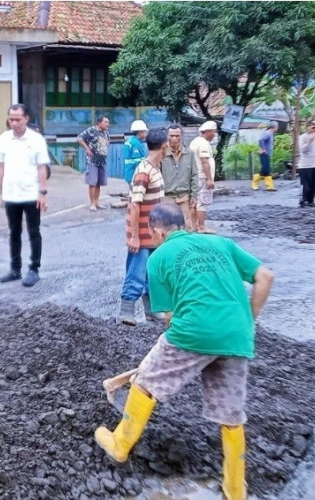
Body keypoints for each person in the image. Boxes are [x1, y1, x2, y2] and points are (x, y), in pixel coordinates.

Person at [95, 202, 274, 500]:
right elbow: (265, 277)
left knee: (146, 382)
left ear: (157, 230)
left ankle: (119, 445)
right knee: (231, 412)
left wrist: (175, 356)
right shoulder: (221, 242)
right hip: (238, 335)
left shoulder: (159, 256)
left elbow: (170, 317)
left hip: (193, 329)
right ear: (184, 224)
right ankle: (234, 487)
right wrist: (247, 322)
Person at [0, 103, 50, 288]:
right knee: (14, 232)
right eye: (11, 119)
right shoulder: (4, 138)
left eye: (18, 119)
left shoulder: (36, 139)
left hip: (32, 194)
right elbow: (0, 166)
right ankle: (15, 269)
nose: (14, 123)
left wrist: (42, 193)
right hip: (11, 194)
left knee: (34, 231)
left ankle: (34, 269)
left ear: (26, 119)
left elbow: (42, 168)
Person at [118, 127, 167, 326]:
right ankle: (126, 312)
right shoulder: (144, 171)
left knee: (151, 275)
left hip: (154, 234)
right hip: (142, 235)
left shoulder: (155, 169)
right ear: (164, 147)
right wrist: (134, 236)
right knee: (136, 273)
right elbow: (135, 204)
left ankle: (151, 311)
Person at [161, 124, 198, 231]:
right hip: (166, 198)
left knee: (187, 228)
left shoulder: (189, 153)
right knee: (168, 229)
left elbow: (194, 175)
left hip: (184, 198)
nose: (174, 139)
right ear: (167, 136)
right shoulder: (162, 153)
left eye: (177, 136)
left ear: (181, 136)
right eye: (171, 136)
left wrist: (194, 196)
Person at [189, 120, 218, 234]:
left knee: (195, 201)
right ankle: (201, 226)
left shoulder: (195, 141)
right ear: (209, 131)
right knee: (203, 201)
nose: (214, 135)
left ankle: (194, 225)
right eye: (213, 132)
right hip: (202, 176)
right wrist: (209, 179)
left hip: (195, 176)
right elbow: (204, 161)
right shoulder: (203, 143)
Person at [77, 115, 110, 211]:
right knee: (93, 182)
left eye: (108, 122)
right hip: (92, 161)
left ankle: (97, 202)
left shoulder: (106, 133)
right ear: (99, 123)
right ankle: (92, 204)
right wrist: (87, 148)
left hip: (102, 161)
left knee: (99, 183)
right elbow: (79, 138)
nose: (107, 124)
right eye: (105, 122)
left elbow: (107, 143)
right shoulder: (92, 130)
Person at [252, 121, 279, 191]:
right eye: (277, 127)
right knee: (265, 170)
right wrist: (263, 148)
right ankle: (255, 181)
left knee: (267, 170)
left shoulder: (270, 133)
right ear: (274, 127)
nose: (277, 128)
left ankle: (270, 186)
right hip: (264, 154)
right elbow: (261, 140)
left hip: (267, 154)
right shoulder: (268, 133)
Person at [123, 120, 148, 188]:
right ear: (140, 132)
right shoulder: (135, 143)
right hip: (134, 175)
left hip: (130, 174)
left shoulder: (131, 141)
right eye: (144, 131)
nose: (146, 133)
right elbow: (138, 162)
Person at [298, 120, 315, 208]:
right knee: (306, 185)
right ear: (307, 127)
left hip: (314, 164)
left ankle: (310, 201)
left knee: (313, 185)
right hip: (305, 165)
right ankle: (303, 200)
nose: (312, 128)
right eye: (311, 126)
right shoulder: (303, 137)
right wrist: (309, 142)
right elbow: (303, 150)